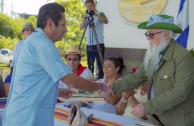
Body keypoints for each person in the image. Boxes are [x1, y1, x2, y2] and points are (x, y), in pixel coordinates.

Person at [2, 3, 105, 126]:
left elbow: (33, 81)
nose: (66, 29)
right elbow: (71, 80)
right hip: (28, 118)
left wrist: (58, 91)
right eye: (63, 24)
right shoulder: (42, 45)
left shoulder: (35, 41)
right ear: (50, 23)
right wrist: (101, 87)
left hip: (23, 115)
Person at [107, 14, 194, 126]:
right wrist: (111, 87)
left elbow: (180, 92)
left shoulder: (183, 57)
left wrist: (146, 107)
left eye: (151, 34)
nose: (147, 38)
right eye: (147, 34)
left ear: (167, 34)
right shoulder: (153, 55)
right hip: (157, 120)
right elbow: (136, 78)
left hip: (178, 121)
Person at [80, 0, 108, 79]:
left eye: (91, 6)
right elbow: (81, 27)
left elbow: (106, 21)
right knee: (90, 63)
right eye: (88, 6)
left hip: (99, 42)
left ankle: (101, 80)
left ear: (94, 5)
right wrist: (84, 19)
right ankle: (90, 79)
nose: (89, 7)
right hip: (89, 43)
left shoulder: (100, 13)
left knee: (100, 63)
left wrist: (96, 14)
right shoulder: (86, 15)